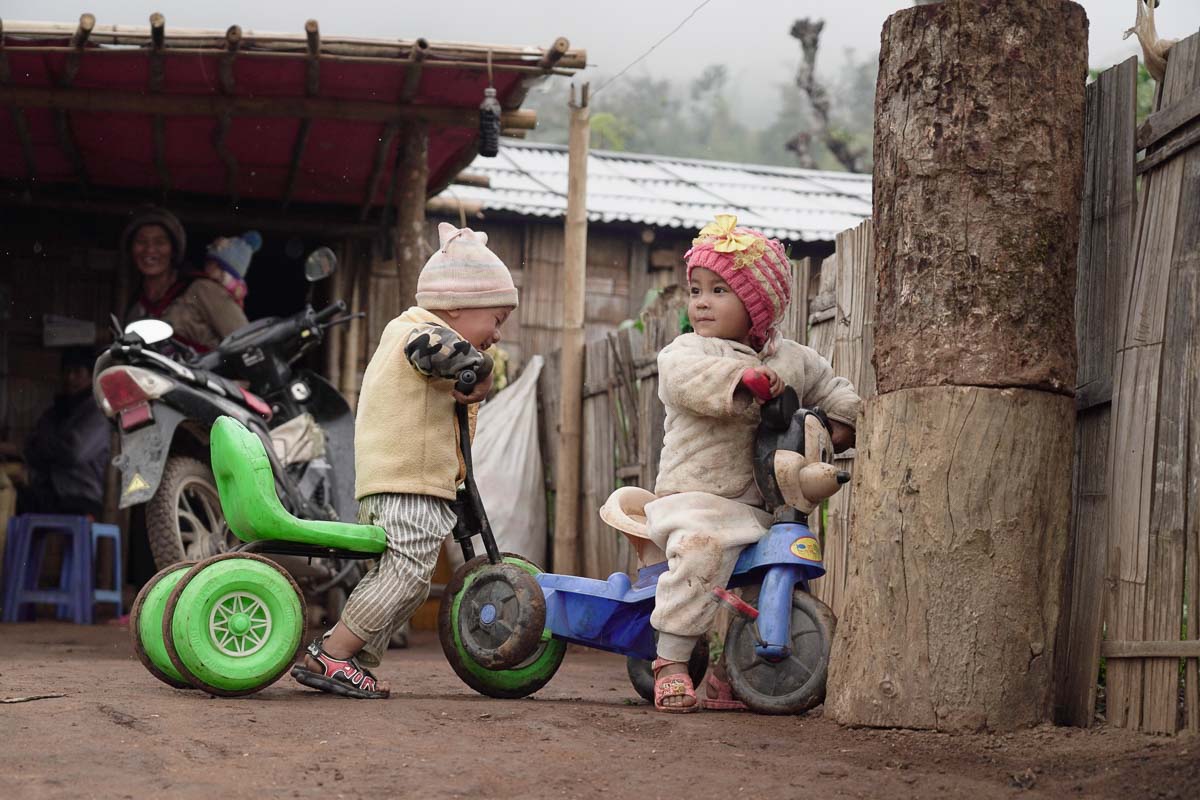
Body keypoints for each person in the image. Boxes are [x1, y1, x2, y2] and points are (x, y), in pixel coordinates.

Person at [290, 221, 517, 699]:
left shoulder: (423, 333)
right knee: (408, 572)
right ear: (456, 303)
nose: (496, 333)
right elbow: (435, 352)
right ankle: (332, 654)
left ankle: (347, 659)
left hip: (411, 484)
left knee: (407, 582)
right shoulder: (418, 332)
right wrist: (480, 370)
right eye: (495, 319)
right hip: (404, 483)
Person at [644, 214, 861, 712]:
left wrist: (845, 424)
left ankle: (734, 673)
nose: (700, 301)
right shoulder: (686, 352)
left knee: (777, 568)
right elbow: (689, 382)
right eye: (696, 288)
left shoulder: (796, 361)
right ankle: (672, 660)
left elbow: (833, 391)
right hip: (695, 500)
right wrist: (744, 381)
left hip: (764, 505)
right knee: (700, 553)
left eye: (719, 290)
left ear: (758, 306)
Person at [122, 207, 254, 352]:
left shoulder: (203, 289)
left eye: (160, 242)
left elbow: (248, 345)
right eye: (141, 241)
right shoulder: (136, 310)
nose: (150, 249)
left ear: (173, 250)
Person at [19, 346, 110, 518]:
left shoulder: (97, 412)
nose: (70, 378)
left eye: (77, 372)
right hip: (50, 491)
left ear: (91, 376)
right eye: (66, 372)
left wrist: (44, 446)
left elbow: (74, 453)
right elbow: (29, 447)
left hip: (80, 495)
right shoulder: (56, 411)